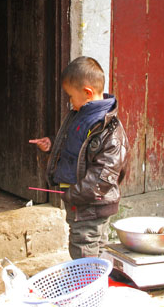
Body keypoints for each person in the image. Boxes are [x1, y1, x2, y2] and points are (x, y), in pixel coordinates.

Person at [29, 56, 129, 259]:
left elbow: (102, 177)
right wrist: (52, 144)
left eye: (71, 96)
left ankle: (86, 285)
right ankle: (98, 282)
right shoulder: (80, 113)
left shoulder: (109, 130)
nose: (69, 102)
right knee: (96, 247)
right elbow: (76, 147)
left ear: (87, 93)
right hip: (82, 199)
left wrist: (73, 194)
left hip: (91, 203)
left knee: (84, 248)